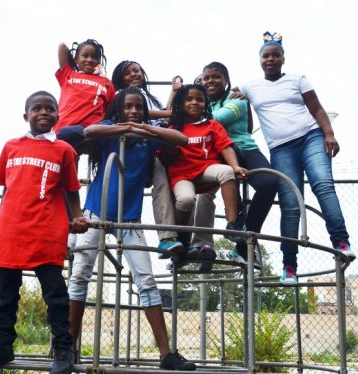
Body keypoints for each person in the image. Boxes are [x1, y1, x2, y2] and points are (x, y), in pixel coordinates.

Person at [68, 86, 196, 371]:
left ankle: (166, 355)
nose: (134, 111)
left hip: (130, 219)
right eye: (129, 106)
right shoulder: (111, 129)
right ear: (119, 109)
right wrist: (124, 127)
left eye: (139, 107)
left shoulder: (146, 137)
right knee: (79, 276)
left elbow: (183, 139)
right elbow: (89, 132)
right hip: (95, 213)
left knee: (146, 280)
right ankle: (68, 348)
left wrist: (147, 130)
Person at [0, 91, 88, 373]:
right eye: (37, 108)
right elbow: (7, 188)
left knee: (56, 295)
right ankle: (1, 346)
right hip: (11, 229)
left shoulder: (63, 150)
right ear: (26, 115)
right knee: (6, 295)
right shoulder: (11, 147)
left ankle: (63, 350)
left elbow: (70, 188)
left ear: (57, 116)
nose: (43, 113)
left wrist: (77, 215)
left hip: (46, 229)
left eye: (50, 108)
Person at [237, 31, 355, 284]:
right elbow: (222, 93)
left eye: (275, 55)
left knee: (323, 184)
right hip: (281, 148)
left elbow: (316, 108)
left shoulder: (297, 79)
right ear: (260, 60)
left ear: (282, 58)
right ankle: (289, 266)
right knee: (290, 203)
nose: (270, 59)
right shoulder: (249, 86)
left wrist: (329, 134)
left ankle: (341, 240)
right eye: (265, 56)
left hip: (310, 137)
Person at [199, 61, 278, 265]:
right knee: (205, 191)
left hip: (244, 148)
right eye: (206, 78)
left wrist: (195, 113)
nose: (210, 81)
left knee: (269, 183)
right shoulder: (200, 102)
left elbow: (217, 120)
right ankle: (229, 226)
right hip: (218, 153)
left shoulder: (238, 100)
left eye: (216, 77)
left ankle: (245, 241)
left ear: (226, 80)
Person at [111, 61, 186, 260]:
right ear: (120, 79)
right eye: (127, 73)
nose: (133, 74)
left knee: (162, 182)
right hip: (132, 144)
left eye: (136, 70)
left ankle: (168, 236)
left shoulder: (149, 96)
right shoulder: (121, 94)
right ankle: (116, 221)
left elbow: (163, 116)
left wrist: (174, 93)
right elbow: (151, 113)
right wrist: (168, 113)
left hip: (152, 145)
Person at [167, 84, 247, 266]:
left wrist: (235, 166)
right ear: (181, 103)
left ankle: (232, 224)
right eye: (189, 99)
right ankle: (182, 238)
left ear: (205, 104)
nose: (194, 102)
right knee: (186, 199)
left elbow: (225, 146)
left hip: (205, 169)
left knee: (226, 172)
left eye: (199, 99)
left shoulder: (211, 125)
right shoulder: (174, 126)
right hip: (182, 174)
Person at [55, 38, 116, 153]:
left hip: (89, 131)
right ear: (76, 58)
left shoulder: (107, 83)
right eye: (85, 56)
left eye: (94, 57)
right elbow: (62, 46)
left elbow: (110, 111)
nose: (90, 59)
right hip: (62, 128)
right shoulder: (69, 74)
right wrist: (73, 63)